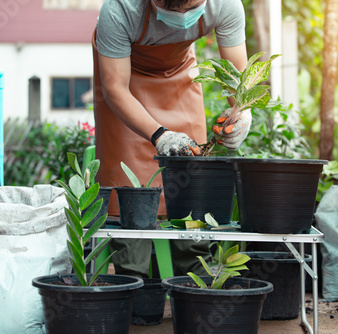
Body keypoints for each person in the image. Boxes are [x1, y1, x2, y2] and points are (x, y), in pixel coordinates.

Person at [92, 0, 251, 278]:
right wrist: (159, 135)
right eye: (172, 10)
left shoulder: (225, 4)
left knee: (191, 178)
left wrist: (242, 113)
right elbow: (115, 89)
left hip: (179, 75)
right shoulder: (120, 10)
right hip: (123, 82)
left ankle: (195, 278)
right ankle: (136, 282)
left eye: (190, 8)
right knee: (129, 187)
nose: (182, 17)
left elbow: (236, 76)